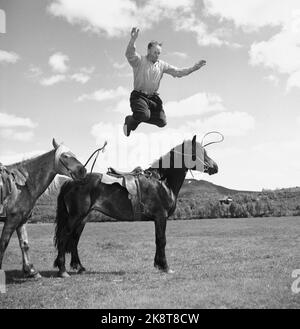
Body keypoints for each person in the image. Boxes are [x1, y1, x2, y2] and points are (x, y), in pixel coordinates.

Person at [123, 27, 207, 137]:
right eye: (154, 52)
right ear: (148, 50)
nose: (157, 55)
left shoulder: (162, 65)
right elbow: (129, 54)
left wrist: (194, 68)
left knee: (162, 122)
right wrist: (133, 39)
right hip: (139, 96)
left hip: (153, 98)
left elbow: (178, 72)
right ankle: (130, 121)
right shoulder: (139, 61)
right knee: (143, 115)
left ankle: (140, 116)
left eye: (159, 53)